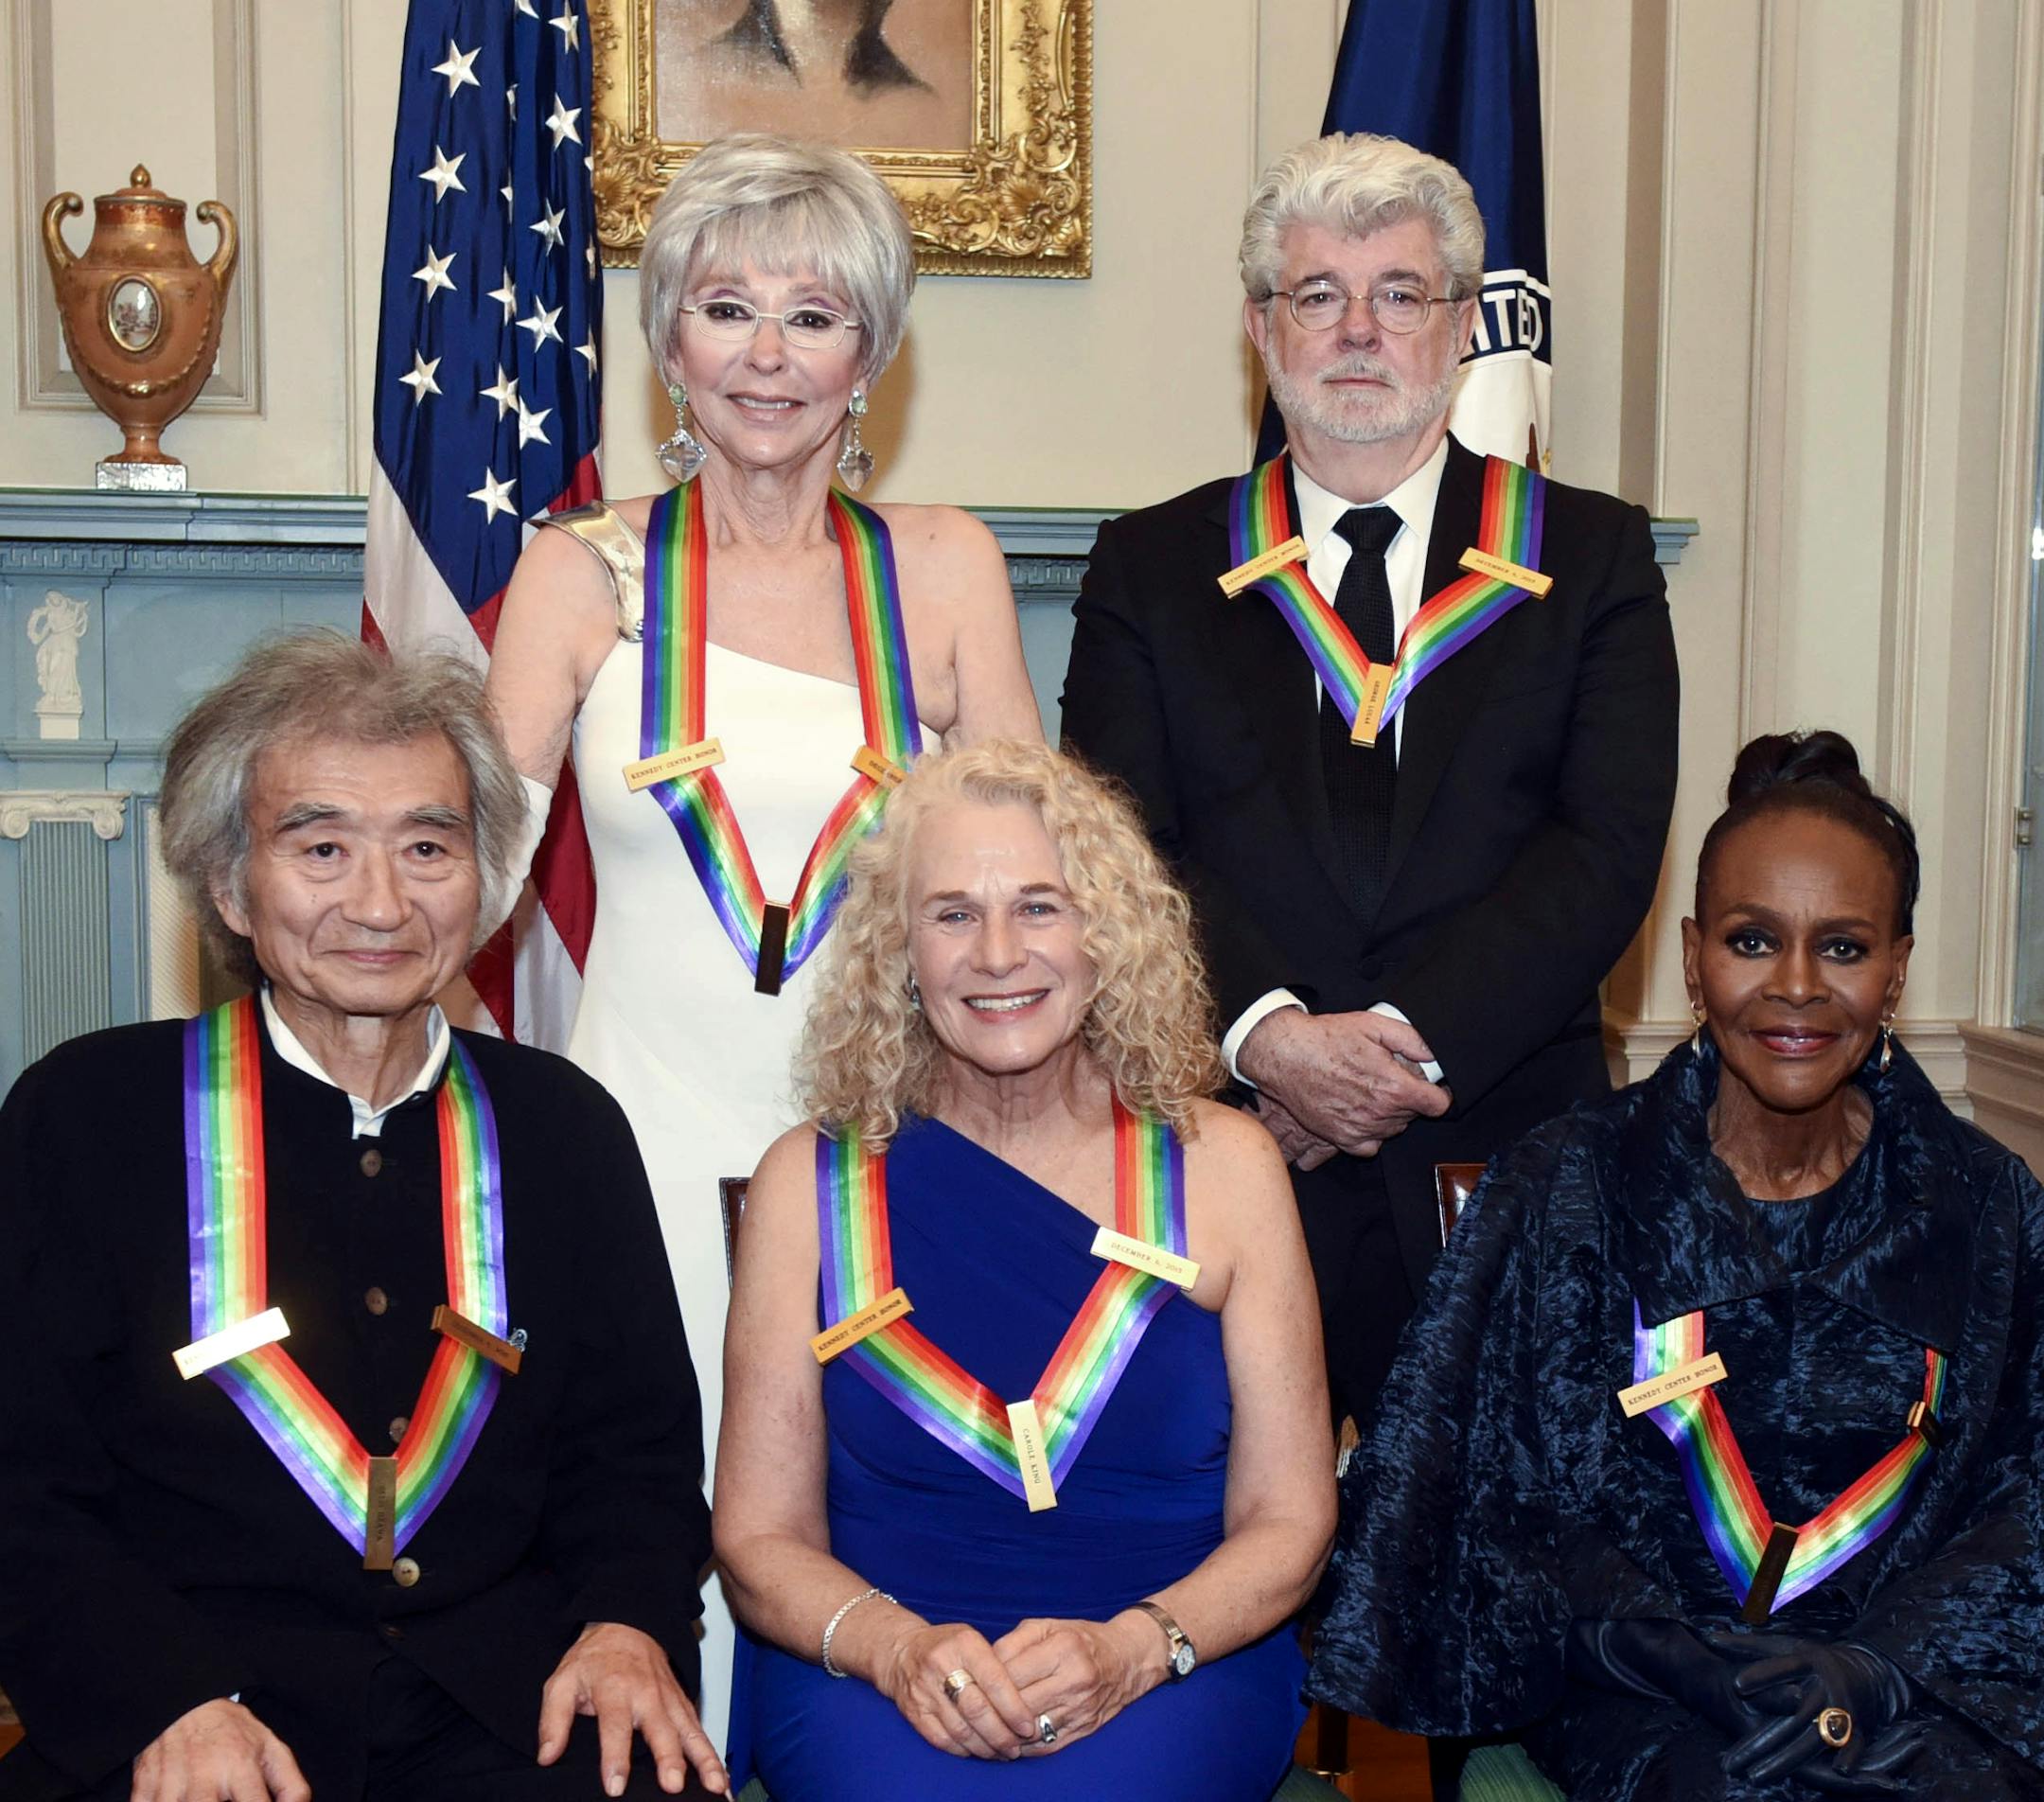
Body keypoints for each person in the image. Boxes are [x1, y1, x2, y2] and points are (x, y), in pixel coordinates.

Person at [486, 132, 1041, 1742]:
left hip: (883, 1129)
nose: (768, 355)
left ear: (871, 349)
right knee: (640, 1496)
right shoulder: (579, 567)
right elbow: (469, 862)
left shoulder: (944, 565)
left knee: (864, 1497)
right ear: (668, 340)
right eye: (727, 309)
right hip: (635, 1126)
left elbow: (1033, 860)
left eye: (814, 315)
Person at [0, 634, 722, 1802]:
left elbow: (631, 1455)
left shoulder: (563, 1127)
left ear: (484, 880)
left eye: (428, 846)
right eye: (322, 845)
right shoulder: (84, 1118)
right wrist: (161, 1698)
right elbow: (24, 1477)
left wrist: (623, 1622)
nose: (380, 901)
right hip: (192, 1698)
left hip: (509, 1704)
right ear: (232, 884)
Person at [1059, 132, 1680, 1428]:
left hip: (1501, 1144)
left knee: (1509, 1573)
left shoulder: (1596, 558)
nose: (1358, 331)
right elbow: (1121, 848)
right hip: (1235, 1146)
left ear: (1461, 327)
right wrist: (1269, 1044)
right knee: (1231, 1547)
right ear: (1258, 327)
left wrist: (1386, 1060)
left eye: (1398, 294)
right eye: (1316, 295)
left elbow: (1603, 849)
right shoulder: (1151, 568)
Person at [1309, 731, 2044, 1799]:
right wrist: (1676, 1652)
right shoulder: (1567, 1186)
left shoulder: (1987, 1203)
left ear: (1896, 967)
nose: (1796, 987)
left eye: (1842, 947)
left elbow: (2025, 1497)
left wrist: (1873, 1669)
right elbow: (1487, 1490)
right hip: (1639, 1688)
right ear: (1695, 954)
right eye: (1755, 941)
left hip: (1913, 1674)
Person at [714, 742, 1335, 1800]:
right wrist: (896, 1648)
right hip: (878, 1667)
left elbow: (1292, 1517)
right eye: (952, 913)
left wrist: (1140, 1646)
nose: (998, 952)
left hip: (1173, 1661)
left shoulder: (1228, 1166)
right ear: (896, 949)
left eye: (1041, 906)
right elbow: (758, 1535)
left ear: (1108, 937)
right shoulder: (805, 1186)